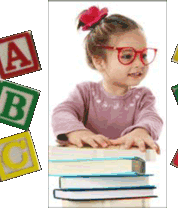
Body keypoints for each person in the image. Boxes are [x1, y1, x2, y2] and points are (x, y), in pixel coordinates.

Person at [52, 6, 163, 153]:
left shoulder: (142, 97)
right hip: (85, 169)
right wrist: (77, 132)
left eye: (143, 55)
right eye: (127, 56)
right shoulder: (85, 92)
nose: (140, 63)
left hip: (127, 171)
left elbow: (152, 117)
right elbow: (62, 112)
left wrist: (141, 131)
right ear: (99, 61)